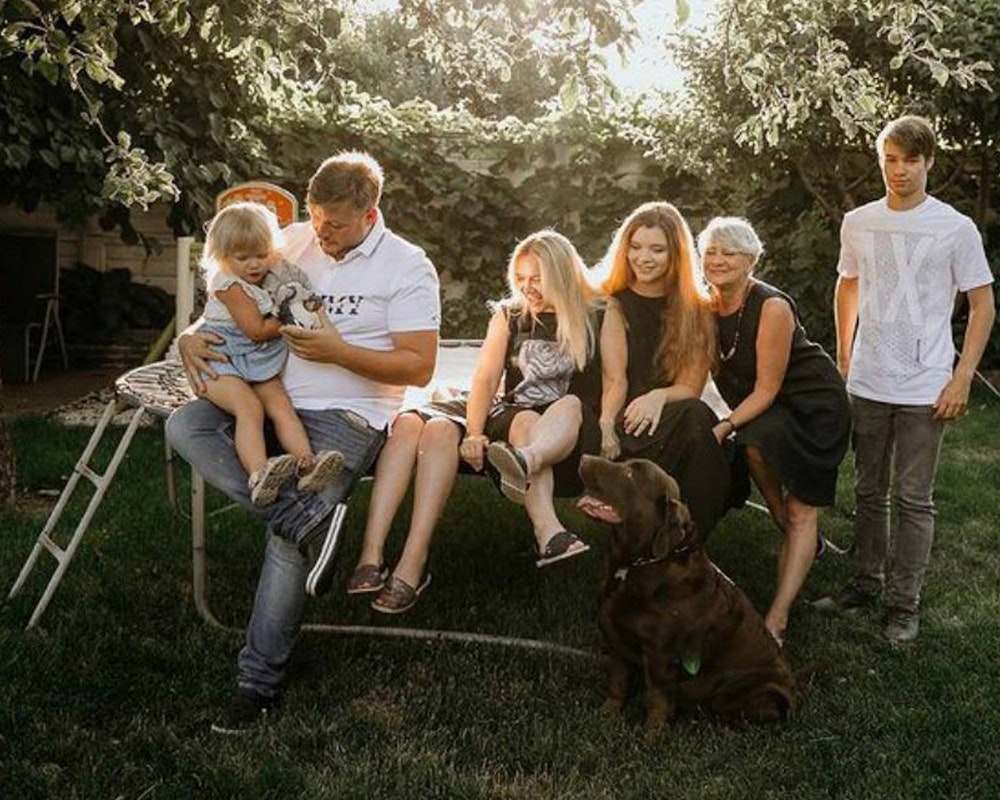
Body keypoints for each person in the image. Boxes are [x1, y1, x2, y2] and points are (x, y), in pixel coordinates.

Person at [165, 151, 440, 733]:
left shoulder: (407, 266)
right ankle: (308, 517)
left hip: (350, 414)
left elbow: (419, 368)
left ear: (370, 213)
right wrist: (191, 335)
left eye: (335, 223)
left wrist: (339, 353)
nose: (321, 232)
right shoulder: (289, 241)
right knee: (184, 424)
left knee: (284, 543)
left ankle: (255, 685)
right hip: (265, 393)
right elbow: (228, 290)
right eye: (315, 217)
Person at [347, 231, 600, 609]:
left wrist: (610, 423)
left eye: (537, 278)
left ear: (562, 274)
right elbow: (483, 378)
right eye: (521, 279)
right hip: (509, 413)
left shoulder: (595, 315)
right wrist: (476, 431)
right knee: (423, 426)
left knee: (540, 416)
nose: (527, 288)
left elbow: (615, 381)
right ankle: (382, 559)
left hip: (552, 422)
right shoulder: (510, 315)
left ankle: (542, 528)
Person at [821, 115, 995, 644]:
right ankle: (866, 582)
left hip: (926, 384)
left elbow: (983, 304)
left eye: (911, 160)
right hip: (869, 380)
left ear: (929, 162)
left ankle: (904, 605)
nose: (899, 170)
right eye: (890, 159)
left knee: (914, 497)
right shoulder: (859, 222)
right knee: (869, 490)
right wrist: (845, 355)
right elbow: (847, 286)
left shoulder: (955, 227)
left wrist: (962, 376)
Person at [700, 216, 851, 646]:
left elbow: (766, 389)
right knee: (754, 449)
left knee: (804, 507)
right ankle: (790, 526)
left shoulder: (771, 306)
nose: (718, 260)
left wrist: (725, 425)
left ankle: (777, 620)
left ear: (750, 261)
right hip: (771, 410)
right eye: (711, 251)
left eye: (729, 253)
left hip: (813, 407)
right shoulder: (705, 306)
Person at [588, 201, 735, 538]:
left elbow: (691, 386)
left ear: (676, 255)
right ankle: (679, 537)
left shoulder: (695, 308)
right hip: (627, 417)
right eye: (635, 247)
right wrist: (608, 424)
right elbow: (615, 378)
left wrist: (658, 396)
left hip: (671, 411)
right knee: (695, 421)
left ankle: (690, 536)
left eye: (657, 249)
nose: (644, 258)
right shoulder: (614, 302)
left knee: (696, 417)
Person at [198, 201, 344, 506]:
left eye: (262, 255)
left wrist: (304, 299)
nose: (254, 264)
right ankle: (259, 474)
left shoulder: (272, 272)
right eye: (243, 258)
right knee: (249, 407)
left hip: (256, 357)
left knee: (280, 405)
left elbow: (297, 286)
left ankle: (307, 463)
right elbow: (256, 330)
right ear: (222, 256)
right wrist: (290, 312)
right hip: (222, 359)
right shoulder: (228, 285)